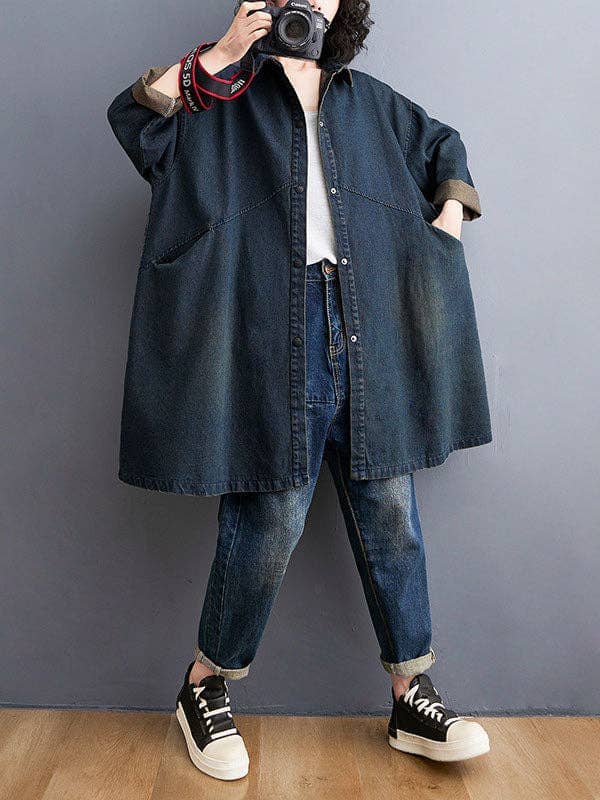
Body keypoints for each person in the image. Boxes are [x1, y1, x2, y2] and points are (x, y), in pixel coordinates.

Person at [107, 0, 493, 782]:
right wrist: (220, 55)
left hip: (367, 324)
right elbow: (136, 120)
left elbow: (443, 146)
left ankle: (411, 696)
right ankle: (204, 687)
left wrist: (449, 215)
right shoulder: (218, 93)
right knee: (269, 513)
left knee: (391, 512)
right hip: (265, 325)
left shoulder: (371, 102)